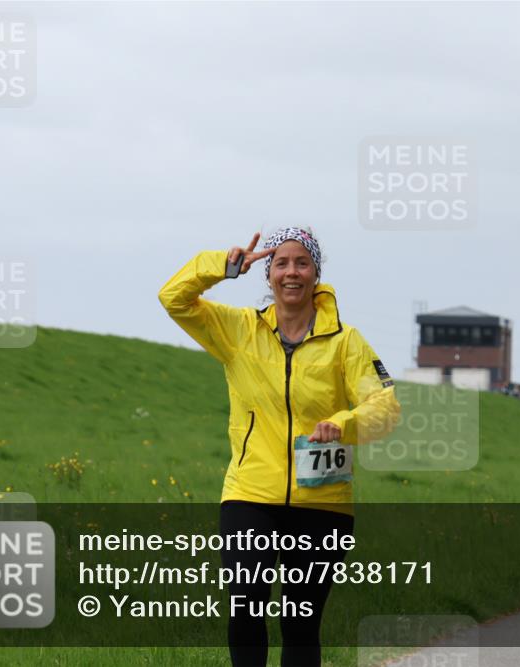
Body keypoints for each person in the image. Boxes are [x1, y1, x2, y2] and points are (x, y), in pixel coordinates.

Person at [158, 228, 401, 667]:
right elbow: (173, 298)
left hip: (323, 500)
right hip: (250, 493)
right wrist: (221, 266)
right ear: (268, 274)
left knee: (300, 623)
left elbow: (385, 407)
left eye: (302, 263)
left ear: (316, 274)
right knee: (246, 607)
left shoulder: (346, 341)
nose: (292, 272)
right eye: (281, 263)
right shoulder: (239, 330)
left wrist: (342, 424)